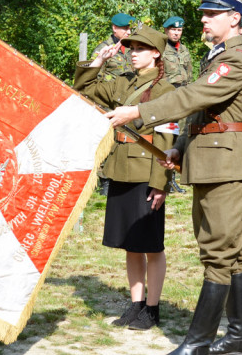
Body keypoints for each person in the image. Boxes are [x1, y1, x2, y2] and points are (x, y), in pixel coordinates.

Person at [104, 0, 242, 355]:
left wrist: (137, 112)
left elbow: (190, 99)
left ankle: (197, 345)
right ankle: (240, 336)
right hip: (210, 163)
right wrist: (181, 147)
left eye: (211, 14)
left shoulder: (235, 60)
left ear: (234, 18)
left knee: (219, 254)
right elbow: (203, 114)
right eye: (204, 14)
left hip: (228, 168)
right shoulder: (217, 58)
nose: (202, 20)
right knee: (229, 253)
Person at [75, 26, 175, 331]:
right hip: (120, 169)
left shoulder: (165, 90)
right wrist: (97, 61)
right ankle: (135, 304)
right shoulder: (123, 81)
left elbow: (166, 140)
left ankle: (153, 309)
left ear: (156, 53)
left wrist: (161, 184)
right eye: (130, 49)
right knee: (131, 244)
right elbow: (85, 89)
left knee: (151, 245)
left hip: (146, 173)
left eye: (140, 49)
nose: (133, 53)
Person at [93, 13, 135, 82]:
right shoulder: (104, 48)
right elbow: (95, 76)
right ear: (114, 28)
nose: (129, 32)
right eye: (125, 28)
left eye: (130, 29)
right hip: (110, 91)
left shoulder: (131, 47)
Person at [161, 16, 193, 87]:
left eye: (179, 30)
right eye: (173, 29)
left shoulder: (184, 50)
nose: (176, 33)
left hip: (184, 89)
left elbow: (189, 72)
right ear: (166, 30)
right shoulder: (161, 49)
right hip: (168, 89)